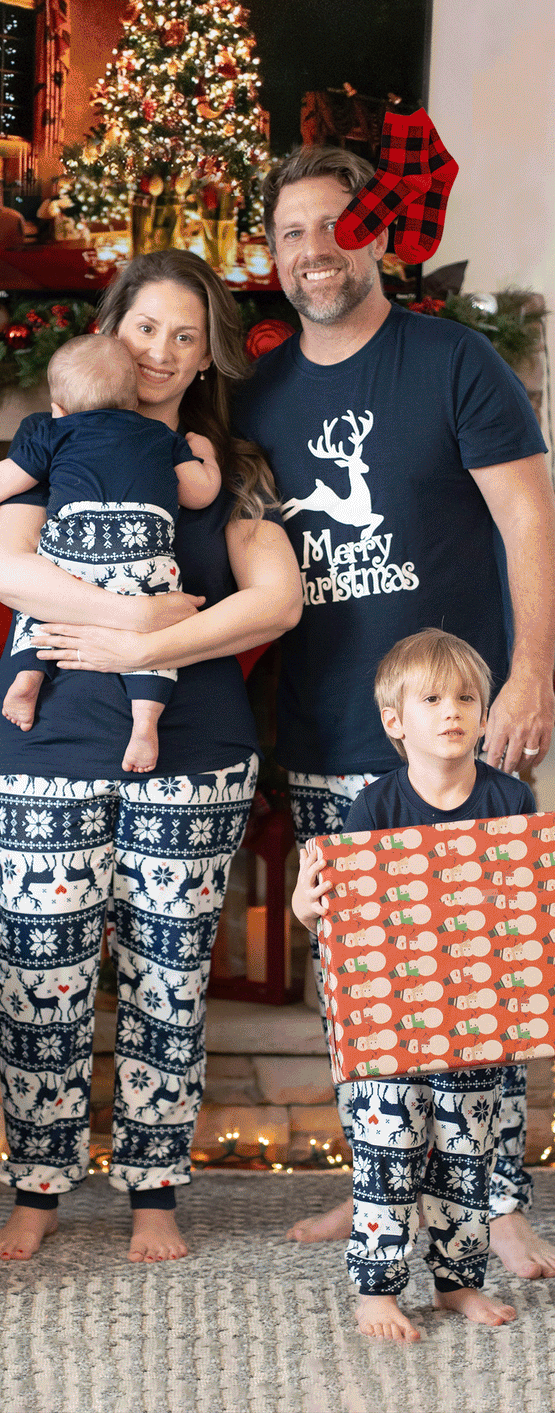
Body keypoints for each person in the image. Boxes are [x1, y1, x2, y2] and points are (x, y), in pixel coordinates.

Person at [234, 143, 555, 1277]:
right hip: (327, 727)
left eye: (332, 226)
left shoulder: (455, 360)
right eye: (290, 234)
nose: (313, 252)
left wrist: (532, 675)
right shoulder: (260, 393)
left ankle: (495, 1200)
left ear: (375, 233)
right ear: (270, 255)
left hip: (460, 723)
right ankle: (372, 1186)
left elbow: (529, 520)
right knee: (361, 982)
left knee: (481, 966)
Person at [0, 250, 304, 1262]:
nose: (160, 350)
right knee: (42, 973)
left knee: (170, 976)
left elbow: (276, 599)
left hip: (192, 750)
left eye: (185, 335)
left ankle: (155, 1193)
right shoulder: (63, 442)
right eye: (145, 327)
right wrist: (135, 606)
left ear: (207, 357)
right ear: (108, 332)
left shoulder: (222, 466)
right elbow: (0, 567)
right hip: (45, 747)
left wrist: (143, 646)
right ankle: (37, 1190)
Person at [293, 628, 527, 1340]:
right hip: (389, 1019)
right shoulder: (375, 807)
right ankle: (376, 1290)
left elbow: (524, 907)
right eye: (431, 699)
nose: (451, 710)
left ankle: (460, 1282)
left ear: (486, 716)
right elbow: (344, 919)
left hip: (479, 1018)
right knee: (388, 1154)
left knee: (467, 1160)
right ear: (397, 722)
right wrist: (310, 913)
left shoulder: (511, 797)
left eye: (466, 698)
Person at [0, 334, 221, 771]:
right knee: (152, 639)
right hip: (142, 553)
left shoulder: (52, 432)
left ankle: (27, 680)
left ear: (58, 407)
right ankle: (144, 725)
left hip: (75, 548)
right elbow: (200, 494)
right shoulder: (160, 434)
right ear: (133, 400)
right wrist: (206, 456)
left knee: (41, 609)